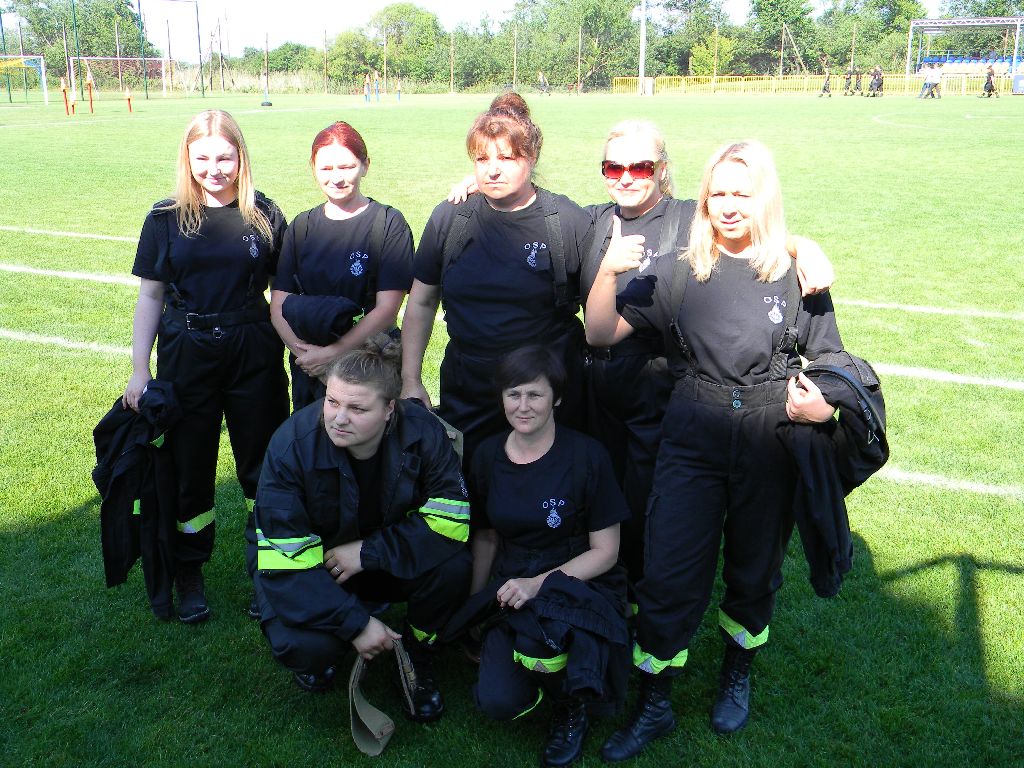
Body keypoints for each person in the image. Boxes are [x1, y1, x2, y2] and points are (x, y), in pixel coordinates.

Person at [448, 121, 834, 594]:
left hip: (658, 387)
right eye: (614, 167)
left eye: (641, 167)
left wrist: (802, 246)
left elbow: (747, 228)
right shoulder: (593, 221)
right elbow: (533, 211)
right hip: (593, 384)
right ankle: (597, 584)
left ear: (662, 170)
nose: (626, 177)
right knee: (594, 488)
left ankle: (642, 591)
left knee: (650, 498)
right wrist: (486, 184)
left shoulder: (687, 217)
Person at [587, 140, 845, 761]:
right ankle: (654, 703)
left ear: (765, 198)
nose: (729, 206)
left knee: (755, 567)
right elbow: (598, 333)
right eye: (718, 193)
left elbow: (831, 356)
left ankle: (736, 671)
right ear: (704, 199)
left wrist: (825, 406)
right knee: (670, 569)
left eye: (742, 194)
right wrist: (607, 273)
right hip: (692, 428)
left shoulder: (795, 271)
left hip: (769, 433)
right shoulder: (682, 268)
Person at [247, 335, 472, 722]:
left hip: (379, 558)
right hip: (311, 567)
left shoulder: (424, 432)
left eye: (357, 408)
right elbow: (285, 560)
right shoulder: (291, 445)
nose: (338, 417)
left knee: (454, 568)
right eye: (332, 401)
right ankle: (331, 643)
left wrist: (369, 552)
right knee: (305, 647)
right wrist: (356, 625)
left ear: (389, 409)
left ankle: (416, 654)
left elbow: (451, 522)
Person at [122, 109, 289, 624]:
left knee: (263, 464)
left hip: (252, 348)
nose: (214, 169)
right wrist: (139, 368)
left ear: (241, 157)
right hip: (186, 351)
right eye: (203, 158)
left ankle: (270, 572)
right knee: (189, 467)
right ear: (188, 158)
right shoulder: (166, 217)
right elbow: (150, 296)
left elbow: (283, 293)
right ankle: (189, 569)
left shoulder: (264, 214)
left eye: (225, 157)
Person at [401, 92, 593, 468]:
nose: (492, 170)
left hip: (544, 390)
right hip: (469, 388)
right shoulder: (450, 218)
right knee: (471, 486)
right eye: (482, 159)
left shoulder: (566, 221)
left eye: (506, 158)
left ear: (532, 157)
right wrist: (411, 379)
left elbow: (598, 312)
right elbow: (421, 302)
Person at [462, 346, 630, 768]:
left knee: (544, 641)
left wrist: (538, 584)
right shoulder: (486, 456)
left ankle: (571, 705)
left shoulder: (587, 456)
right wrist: (475, 606)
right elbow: (486, 538)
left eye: (535, 395)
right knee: (498, 701)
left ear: (556, 398)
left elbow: (606, 552)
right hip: (513, 574)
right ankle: (537, 673)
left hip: (579, 576)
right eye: (513, 394)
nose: (523, 406)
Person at [270, 121, 413, 411]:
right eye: (326, 168)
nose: (336, 178)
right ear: (313, 168)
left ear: (365, 165)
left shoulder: (387, 224)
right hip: (308, 367)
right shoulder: (301, 227)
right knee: (311, 436)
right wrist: (307, 356)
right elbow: (278, 305)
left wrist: (333, 354)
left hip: (369, 365)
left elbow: (387, 309)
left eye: (347, 167)